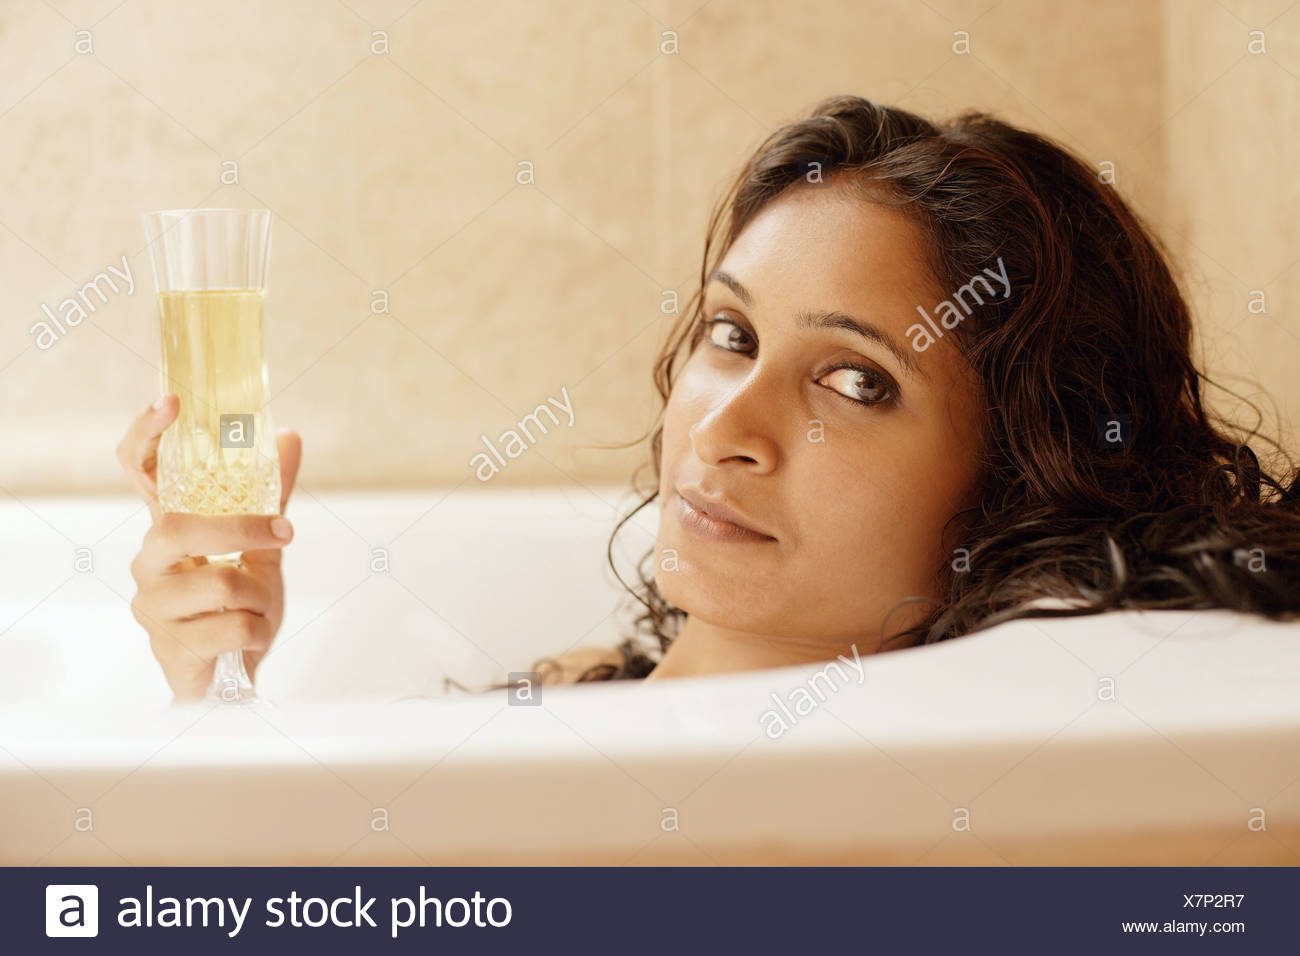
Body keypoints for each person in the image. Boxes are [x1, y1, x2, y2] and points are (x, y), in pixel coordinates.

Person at [117, 94, 1300, 700]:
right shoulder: (567, 690)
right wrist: (213, 680)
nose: (724, 430)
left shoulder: (935, 791)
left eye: (855, 379)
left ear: (1015, 481)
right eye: (730, 334)